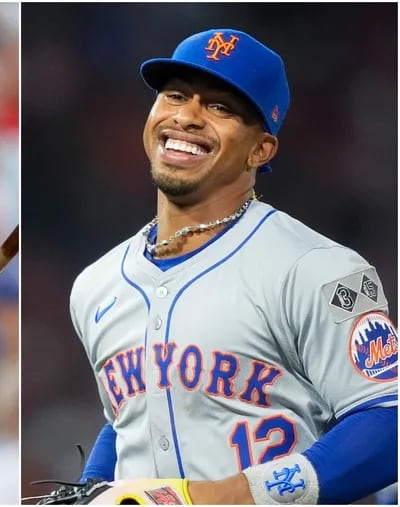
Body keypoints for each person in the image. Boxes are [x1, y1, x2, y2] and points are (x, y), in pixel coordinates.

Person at [36, 29, 398, 505]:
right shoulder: (97, 284)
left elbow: (387, 421)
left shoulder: (320, 269)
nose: (187, 117)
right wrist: (94, 488)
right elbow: (128, 419)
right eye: (175, 96)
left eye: (221, 107)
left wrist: (215, 497)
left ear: (261, 149)